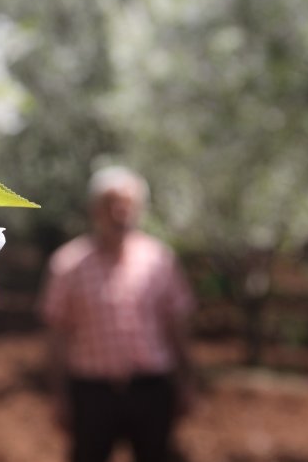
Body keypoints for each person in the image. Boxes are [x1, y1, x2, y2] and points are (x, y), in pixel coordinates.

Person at [40, 166, 195, 462]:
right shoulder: (67, 265)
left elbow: (177, 325)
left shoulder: (160, 260)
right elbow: (57, 334)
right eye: (111, 203)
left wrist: (188, 380)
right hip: (92, 393)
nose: (120, 212)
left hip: (151, 389)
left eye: (129, 204)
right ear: (94, 209)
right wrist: (58, 395)